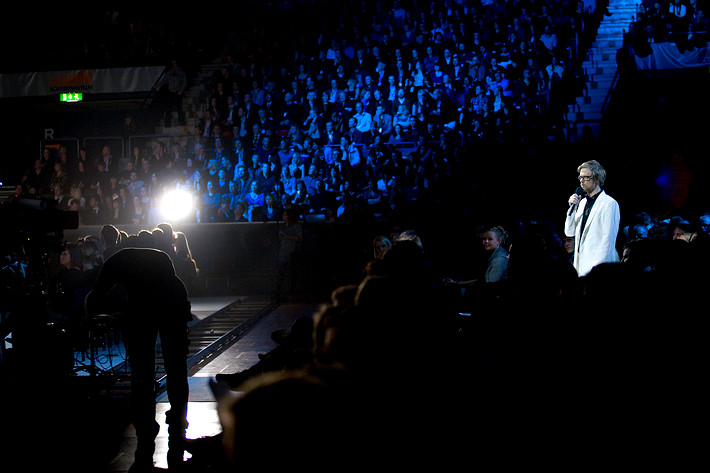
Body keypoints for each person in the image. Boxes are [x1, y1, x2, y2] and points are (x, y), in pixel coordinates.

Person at [85, 240, 192, 471]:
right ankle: (178, 416)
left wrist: (89, 322)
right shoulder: (137, 259)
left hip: (145, 304)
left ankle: (145, 426)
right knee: (176, 366)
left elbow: (94, 298)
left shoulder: (113, 266)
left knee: (141, 371)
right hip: (173, 297)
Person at [565, 160, 621, 276]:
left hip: (599, 266)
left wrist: (598, 270)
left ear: (597, 179)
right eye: (580, 177)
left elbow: (608, 239)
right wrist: (571, 209)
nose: (582, 181)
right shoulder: (581, 203)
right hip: (581, 265)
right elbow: (569, 232)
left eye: (586, 177)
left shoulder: (609, 203)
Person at [153, 59, 188, 127]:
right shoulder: (170, 72)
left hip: (178, 92)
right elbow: (164, 80)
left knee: (179, 108)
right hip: (171, 92)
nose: (174, 65)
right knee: (168, 109)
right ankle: (167, 124)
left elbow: (184, 83)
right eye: (172, 63)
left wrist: (181, 91)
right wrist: (157, 85)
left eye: (175, 63)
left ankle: (182, 123)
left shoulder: (181, 71)